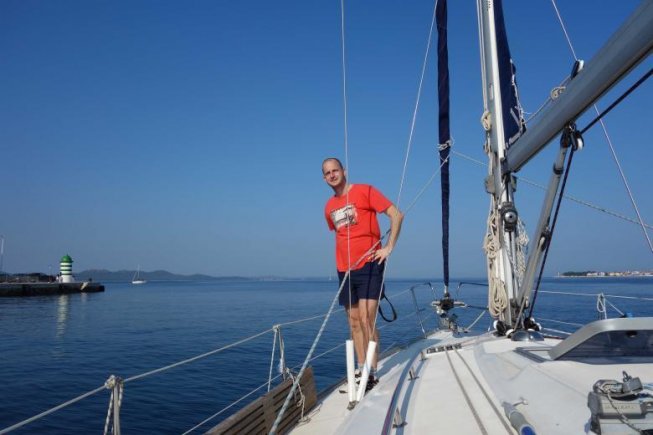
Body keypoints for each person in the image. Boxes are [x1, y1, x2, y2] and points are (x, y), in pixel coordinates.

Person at [322, 157, 403, 391]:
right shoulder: (328, 207)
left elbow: (396, 214)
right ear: (324, 178)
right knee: (354, 322)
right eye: (327, 173)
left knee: (368, 319)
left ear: (344, 171)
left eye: (335, 170)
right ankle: (361, 368)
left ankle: (372, 372)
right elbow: (340, 234)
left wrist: (388, 247)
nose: (332, 175)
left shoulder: (365, 191)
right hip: (344, 270)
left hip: (369, 264)